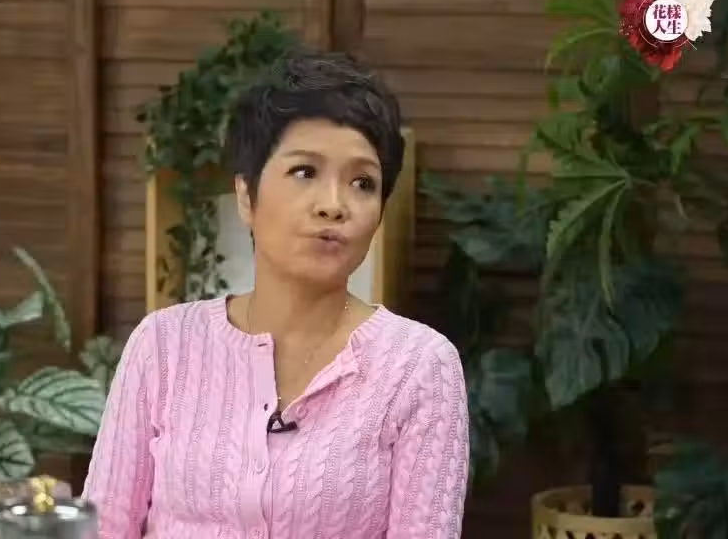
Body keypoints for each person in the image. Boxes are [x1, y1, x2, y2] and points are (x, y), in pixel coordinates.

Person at [83, 49, 469, 538]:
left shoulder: (418, 368)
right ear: (246, 196)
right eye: (305, 172)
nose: (334, 205)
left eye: (362, 183)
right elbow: (102, 527)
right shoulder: (163, 346)